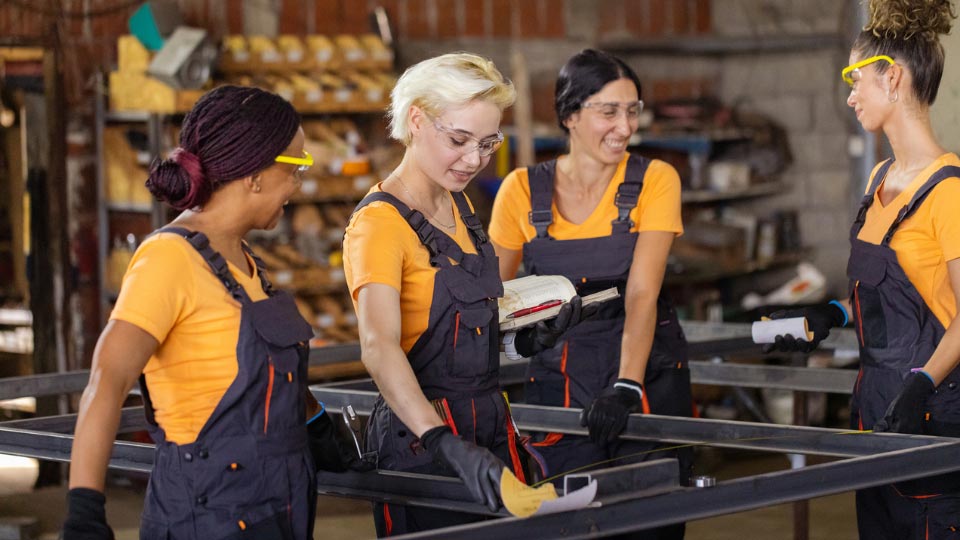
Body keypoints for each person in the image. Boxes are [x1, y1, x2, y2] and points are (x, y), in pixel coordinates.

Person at [63, 85, 361, 540]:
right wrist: (85, 508)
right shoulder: (168, 259)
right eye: (296, 167)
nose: (298, 185)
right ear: (256, 174)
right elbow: (107, 382)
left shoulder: (247, 263)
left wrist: (319, 427)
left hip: (278, 508)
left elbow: (271, 372)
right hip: (207, 515)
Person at [342, 52, 585, 537]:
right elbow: (380, 345)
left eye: (487, 143)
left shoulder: (460, 205)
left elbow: (457, 332)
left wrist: (522, 342)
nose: (474, 159)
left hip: (488, 426)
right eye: (458, 140)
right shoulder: (378, 225)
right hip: (421, 442)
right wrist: (440, 440)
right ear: (416, 120)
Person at [763, 1, 960, 537]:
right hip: (873, 410)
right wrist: (829, 314)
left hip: (931, 414)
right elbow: (886, 296)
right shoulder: (878, 179)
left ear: (892, 78)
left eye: (856, 80)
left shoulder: (949, 193)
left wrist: (920, 385)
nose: (849, 97)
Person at [489, 48, 692, 540]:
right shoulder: (520, 190)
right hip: (559, 385)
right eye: (609, 111)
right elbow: (490, 302)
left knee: (650, 520)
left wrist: (627, 385)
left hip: (643, 379)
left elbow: (642, 292)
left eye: (632, 110)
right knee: (568, 522)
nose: (624, 126)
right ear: (570, 115)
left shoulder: (655, 180)